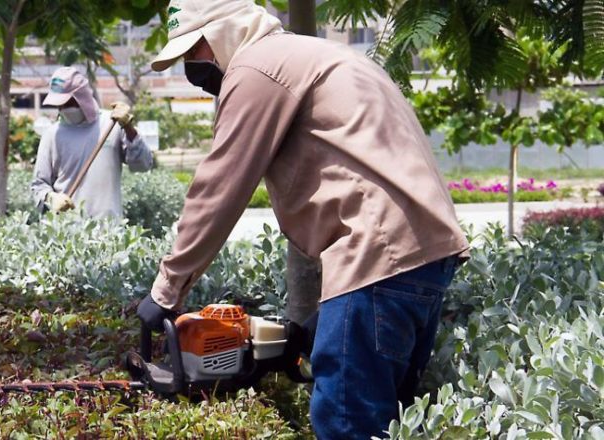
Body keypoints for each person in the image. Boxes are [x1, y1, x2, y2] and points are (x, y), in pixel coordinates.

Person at [134, 1, 470, 438]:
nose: (191, 68)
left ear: (223, 33)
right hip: (423, 256)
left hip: (375, 256)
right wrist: (319, 322)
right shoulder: (318, 54)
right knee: (392, 423)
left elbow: (220, 186)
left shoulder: (255, 67)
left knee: (345, 425)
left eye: (193, 50)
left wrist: (166, 290)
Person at [31, 67, 154, 218]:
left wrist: (129, 128)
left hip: (108, 230)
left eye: (67, 103)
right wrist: (51, 197)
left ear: (81, 97)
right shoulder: (51, 135)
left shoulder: (112, 124)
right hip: (67, 231)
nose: (62, 108)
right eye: (59, 104)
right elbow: (39, 185)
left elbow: (143, 165)